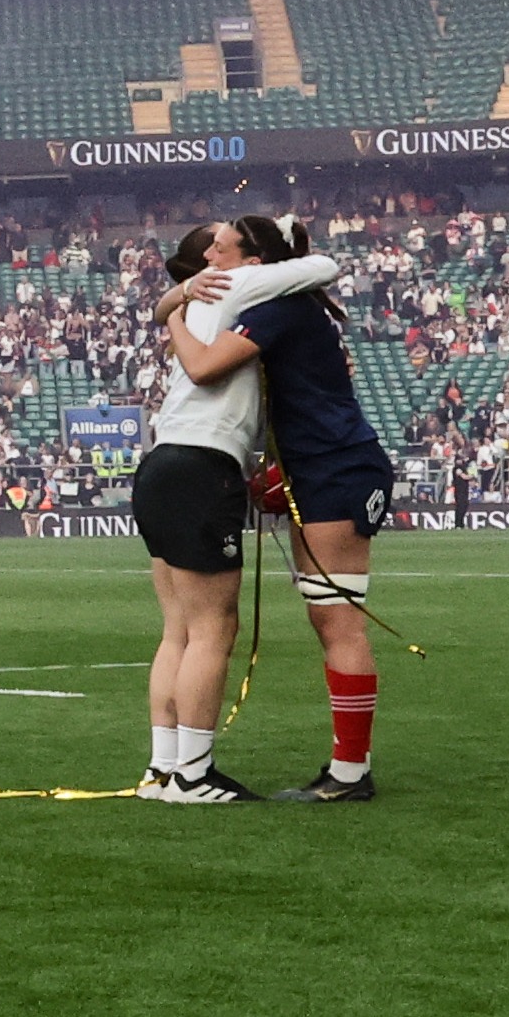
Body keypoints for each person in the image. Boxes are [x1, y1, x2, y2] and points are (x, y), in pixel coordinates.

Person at [161, 212, 385, 804]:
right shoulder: (285, 304)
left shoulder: (277, 306)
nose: (211, 261)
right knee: (331, 618)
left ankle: (350, 773)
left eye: (221, 250)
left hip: (336, 467)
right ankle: (348, 768)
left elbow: (206, 368)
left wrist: (176, 313)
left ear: (253, 263)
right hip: (324, 466)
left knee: (337, 619)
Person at [134, 233, 337, 804]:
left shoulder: (194, 298)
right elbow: (326, 264)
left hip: (161, 461)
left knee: (177, 629)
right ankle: (194, 776)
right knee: (213, 630)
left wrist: (176, 295)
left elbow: (157, 309)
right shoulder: (240, 282)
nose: (212, 257)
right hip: (202, 464)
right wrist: (278, 246)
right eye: (217, 245)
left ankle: (164, 769)